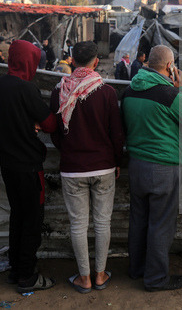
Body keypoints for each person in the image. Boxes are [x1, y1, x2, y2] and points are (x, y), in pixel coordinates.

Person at [121, 45, 182, 291]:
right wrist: (181, 88)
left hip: (136, 166)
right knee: (161, 225)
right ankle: (156, 279)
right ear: (170, 67)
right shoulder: (169, 94)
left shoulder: (128, 91)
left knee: (139, 221)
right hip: (163, 168)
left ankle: (137, 269)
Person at [50, 41, 125, 294]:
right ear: (96, 62)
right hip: (103, 167)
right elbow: (117, 134)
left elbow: (56, 134)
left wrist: (69, 151)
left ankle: (84, 278)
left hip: (72, 168)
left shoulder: (59, 90)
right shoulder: (106, 92)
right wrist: (116, 161)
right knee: (103, 223)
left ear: (72, 60)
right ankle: (101, 274)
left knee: (78, 225)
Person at [0, 40, 58, 294]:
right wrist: (37, 122)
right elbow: (50, 123)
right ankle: (27, 277)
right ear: (29, 62)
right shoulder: (26, 89)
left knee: (17, 216)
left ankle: (15, 269)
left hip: (7, 162)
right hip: (29, 166)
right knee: (32, 220)